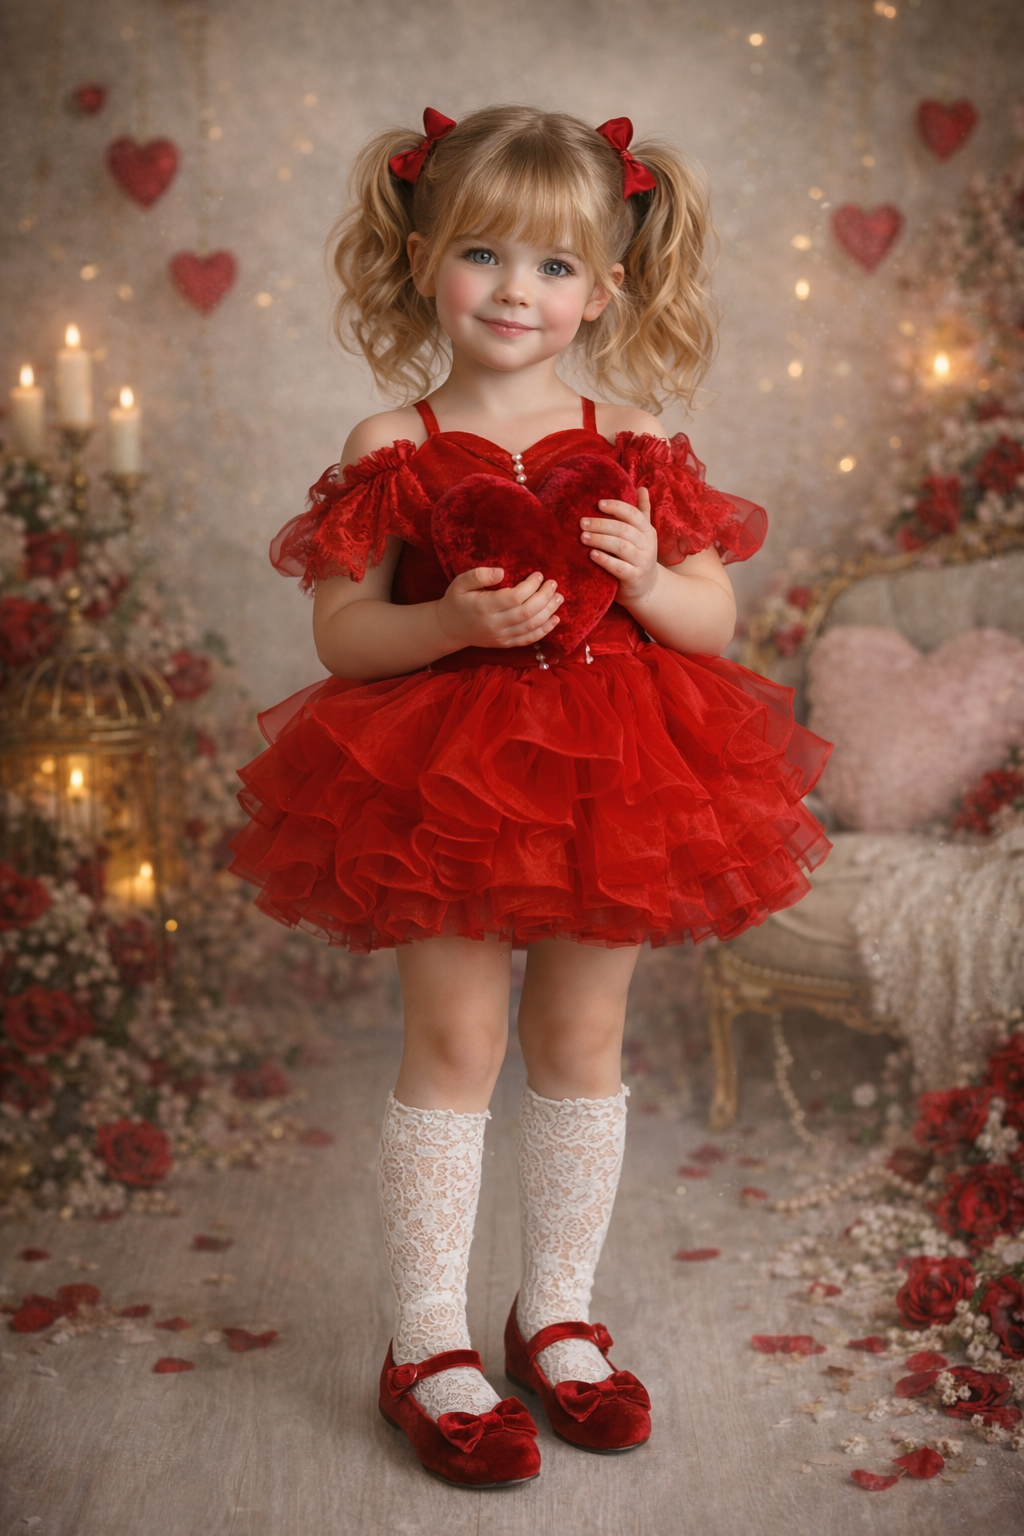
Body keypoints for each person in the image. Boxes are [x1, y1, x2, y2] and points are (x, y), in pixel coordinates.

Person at [231, 105, 831, 1488]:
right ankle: (425, 1342)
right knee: (454, 1047)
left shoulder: (631, 433)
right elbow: (342, 634)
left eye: (557, 267)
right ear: (426, 257)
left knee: (583, 1037)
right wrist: (451, 629)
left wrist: (648, 576)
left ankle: (554, 1312)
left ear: (608, 287)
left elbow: (713, 621)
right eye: (486, 253)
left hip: (613, 775)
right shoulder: (394, 434)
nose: (517, 290)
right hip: (434, 776)